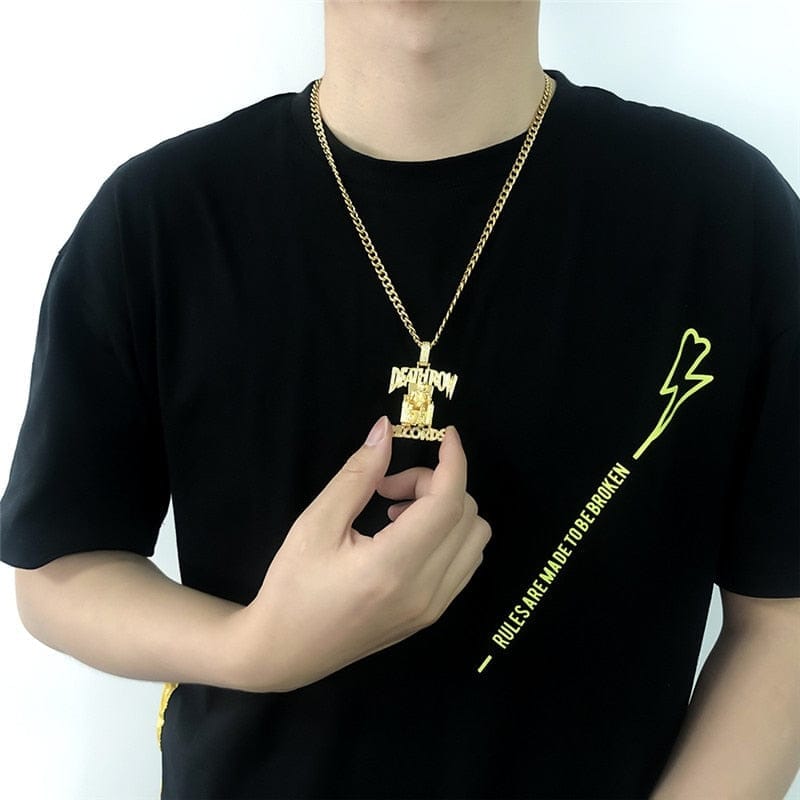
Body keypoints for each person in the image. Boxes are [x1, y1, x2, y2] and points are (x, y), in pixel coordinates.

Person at [1, 1, 798, 798]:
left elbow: (783, 620)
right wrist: (257, 647)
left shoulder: (725, 216)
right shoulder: (159, 218)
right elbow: (58, 569)